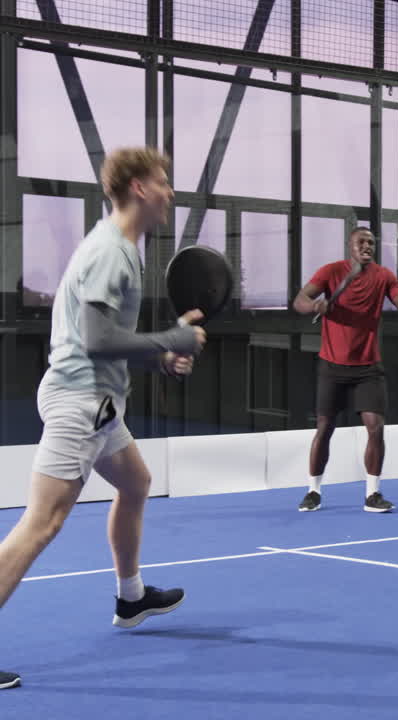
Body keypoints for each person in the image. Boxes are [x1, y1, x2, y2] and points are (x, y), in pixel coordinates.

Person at [0, 147, 207, 690]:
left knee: (136, 483)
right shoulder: (112, 252)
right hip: (80, 401)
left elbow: (109, 341)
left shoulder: (122, 248)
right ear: (139, 188)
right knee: (39, 524)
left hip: (99, 404)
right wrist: (172, 340)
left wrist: (161, 357)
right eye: (163, 181)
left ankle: (131, 598)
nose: (170, 191)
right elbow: (95, 340)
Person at [292, 227, 398, 513]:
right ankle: (313, 492)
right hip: (332, 366)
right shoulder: (331, 272)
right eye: (362, 241)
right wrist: (315, 306)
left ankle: (373, 495)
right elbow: (299, 301)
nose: (367, 246)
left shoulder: (384, 276)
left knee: (376, 428)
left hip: (367, 368)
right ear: (350, 245)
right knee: (324, 428)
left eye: (371, 243)